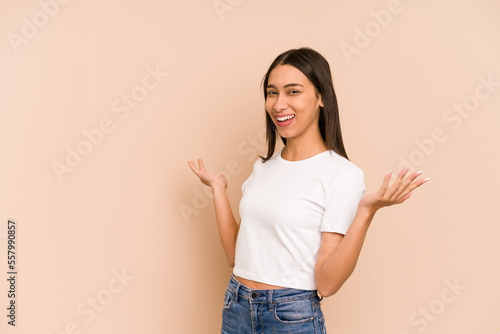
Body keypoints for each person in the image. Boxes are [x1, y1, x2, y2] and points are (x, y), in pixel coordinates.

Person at [187, 47, 429, 334]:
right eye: (272, 92)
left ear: (321, 97)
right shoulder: (262, 169)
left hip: (290, 315)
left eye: (293, 92)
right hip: (236, 305)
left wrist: (366, 211)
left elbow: (327, 283)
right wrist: (218, 190)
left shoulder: (342, 176)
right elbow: (235, 256)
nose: (279, 104)